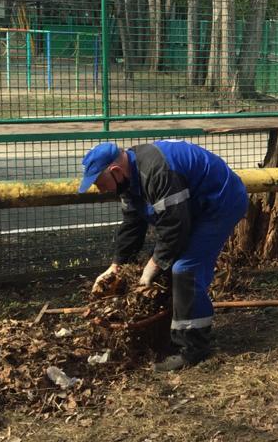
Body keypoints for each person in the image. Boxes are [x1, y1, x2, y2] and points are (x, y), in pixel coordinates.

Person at [79, 140, 249, 371]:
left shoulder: (158, 173)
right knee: (169, 264)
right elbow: (132, 224)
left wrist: (153, 264)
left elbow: (175, 227)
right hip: (191, 209)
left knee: (185, 269)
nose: (101, 190)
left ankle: (193, 349)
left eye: (100, 183)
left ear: (115, 171)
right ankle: (172, 332)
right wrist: (116, 265)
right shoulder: (128, 181)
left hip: (219, 204)